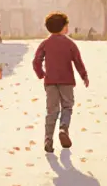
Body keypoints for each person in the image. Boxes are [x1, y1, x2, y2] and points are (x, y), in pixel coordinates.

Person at [31, 12, 89, 154]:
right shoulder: (70, 44)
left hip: (50, 82)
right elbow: (78, 61)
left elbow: (36, 60)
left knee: (51, 111)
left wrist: (41, 74)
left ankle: (48, 139)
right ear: (63, 27)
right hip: (67, 82)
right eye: (66, 25)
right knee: (67, 107)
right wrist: (84, 76)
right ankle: (63, 128)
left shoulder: (45, 44)